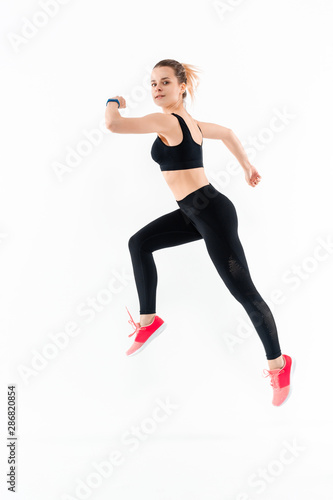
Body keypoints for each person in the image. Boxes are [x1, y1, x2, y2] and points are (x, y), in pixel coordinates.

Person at [105, 59, 295, 406]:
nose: (157, 89)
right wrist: (247, 165)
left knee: (246, 295)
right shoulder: (188, 122)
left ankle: (279, 365)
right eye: (152, 84)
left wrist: (113, 100)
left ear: (182, 88)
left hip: (212, 215)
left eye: (164, 82)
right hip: (194, 212)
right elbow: (227, 133)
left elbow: (113, 125)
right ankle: (148, 320)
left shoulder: (166, 120)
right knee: (139, 243)